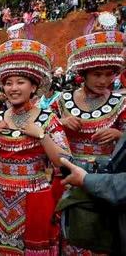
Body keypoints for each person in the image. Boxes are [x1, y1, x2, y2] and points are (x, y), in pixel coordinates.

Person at [0, 36, 70, 254]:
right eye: (8, 83)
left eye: (20, 82)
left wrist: (41, 135)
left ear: (33, 86)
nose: (13, 88)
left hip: (36, 195)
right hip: (0, 193)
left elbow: (64, 162)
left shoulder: (47, 119)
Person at [52, 13, 126, 255]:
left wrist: (118, 134)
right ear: (83, 74)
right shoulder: (62, 101)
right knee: (71, 237)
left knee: (99, 239)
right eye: (97, 74)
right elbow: (41, 128)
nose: (104, 80)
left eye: (109, 74)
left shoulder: (122, 103)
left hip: (106, 183)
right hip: (68, 180)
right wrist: (60, 122)